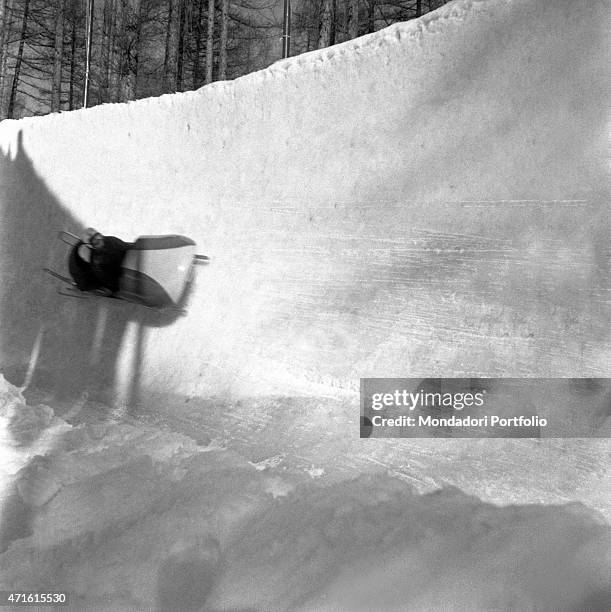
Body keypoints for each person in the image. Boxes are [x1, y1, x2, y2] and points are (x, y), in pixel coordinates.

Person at [68, 228, 133, 294]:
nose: (99, 239)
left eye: (98, 235)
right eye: (95, 240)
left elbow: (127, 247)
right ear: (90, 246)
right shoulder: (97, 262)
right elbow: (109, 281)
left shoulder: (111, 240)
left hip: (88, 264)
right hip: (85, 279)